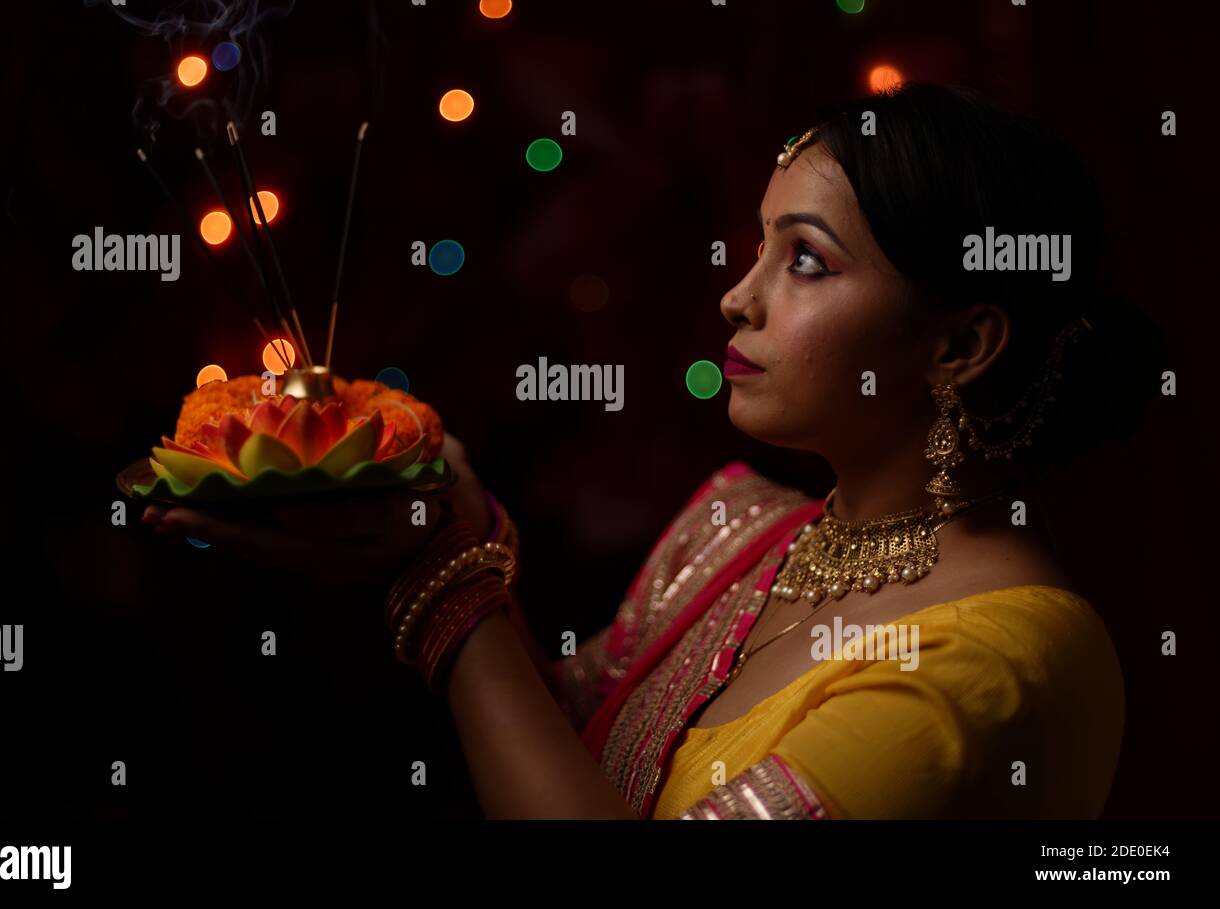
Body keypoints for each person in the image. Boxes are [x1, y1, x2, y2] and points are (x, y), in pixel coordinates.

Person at [143, 83, 1162, 819]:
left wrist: (447, 579)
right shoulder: (738, 525)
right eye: (760, 247)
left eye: (805, 260)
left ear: (958, 343)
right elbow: (558, 749)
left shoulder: (997, 660)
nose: (738, 297)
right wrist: (445, 529)